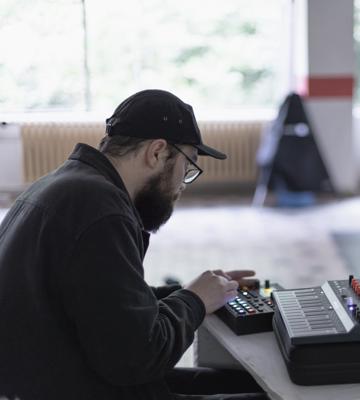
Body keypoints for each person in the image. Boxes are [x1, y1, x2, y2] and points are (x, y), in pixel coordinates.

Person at [0, 90, 268, 400]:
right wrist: (195, 301)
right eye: (188, 166)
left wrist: (192, 293)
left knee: (247, 382)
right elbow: (139, 358)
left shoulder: (65, 185)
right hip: (71, 385)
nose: (183, 184)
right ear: (157, 152)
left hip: (56, 375)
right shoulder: (100, 209)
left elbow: (105, 301)